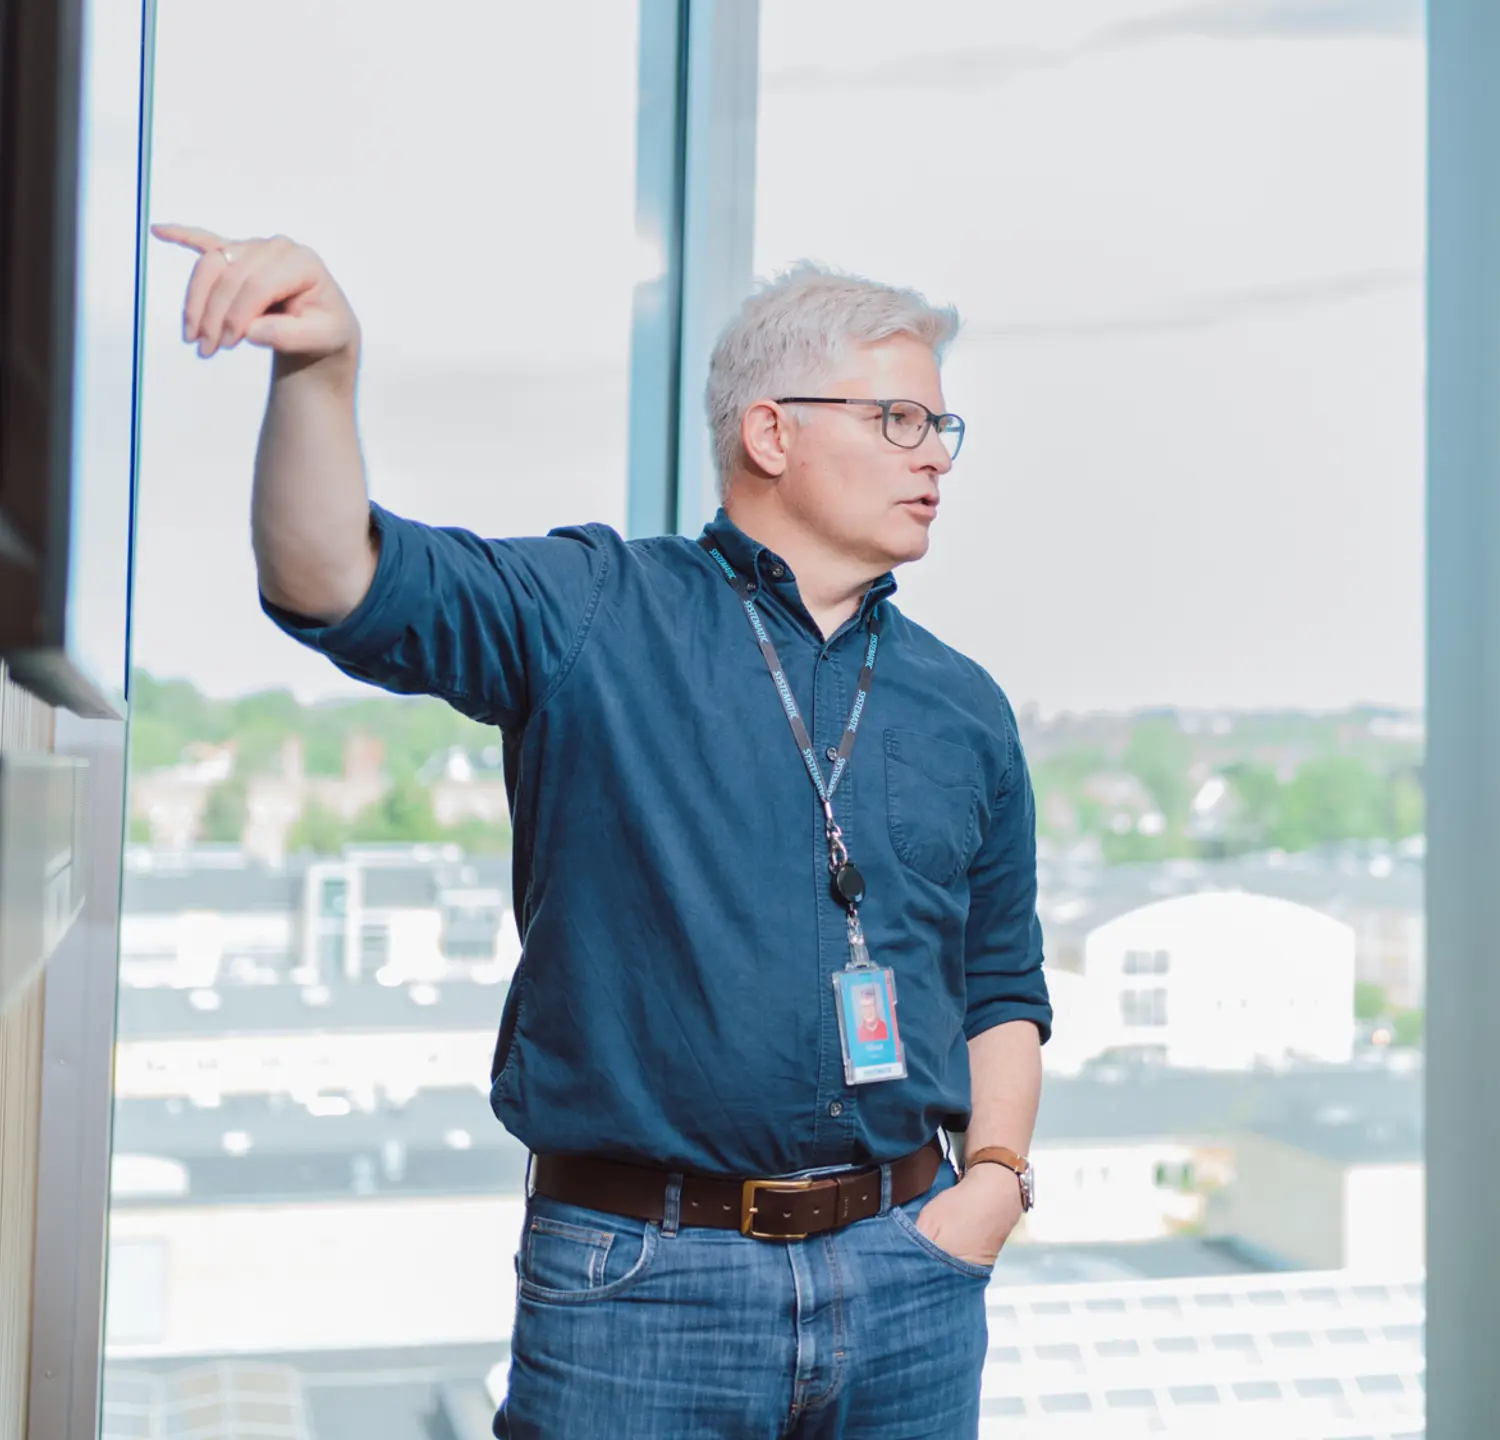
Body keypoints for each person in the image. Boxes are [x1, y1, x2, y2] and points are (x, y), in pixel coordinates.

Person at [152, 223, 1050, 1439]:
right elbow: (333, 578)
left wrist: (991, 1185)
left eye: (942, 428)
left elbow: (1000, 983)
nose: (934, 456)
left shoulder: (965, 705)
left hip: (913, 1277)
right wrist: (322, 368)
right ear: (770, 431)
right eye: (898, 421)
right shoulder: (597, 612)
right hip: (642, 1287)